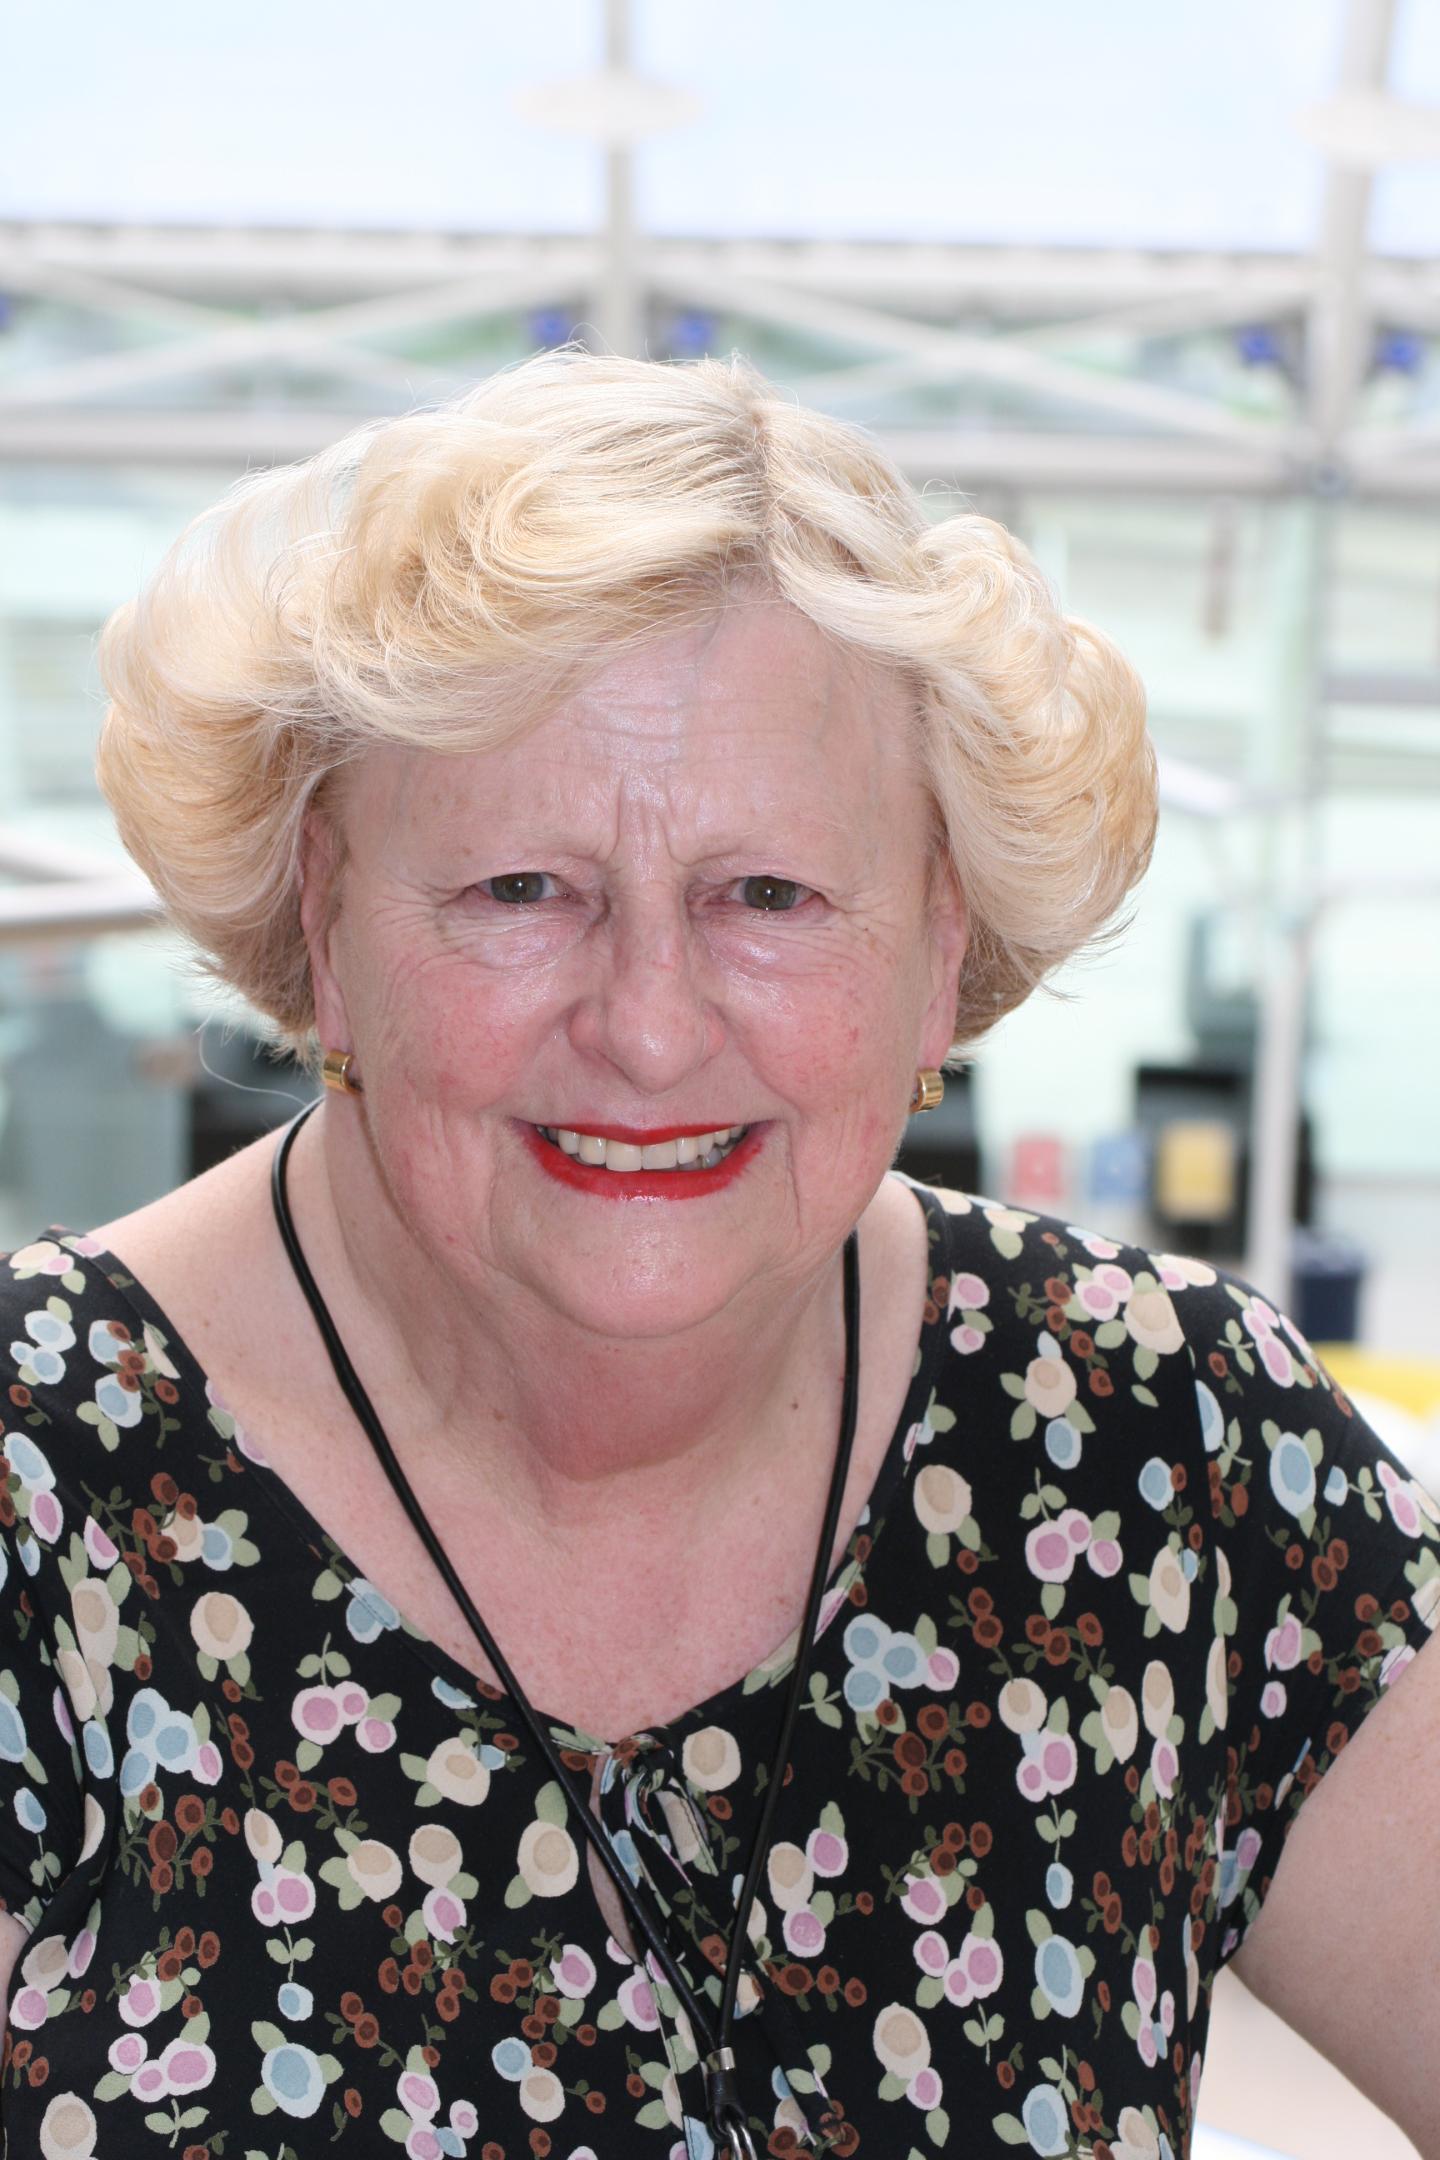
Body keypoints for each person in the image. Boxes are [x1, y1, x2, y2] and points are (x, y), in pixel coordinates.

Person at [0, 352, 1436, 2160]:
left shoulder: (1161, 1439)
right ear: (324, 924)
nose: (652, 1028)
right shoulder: (38, 1483)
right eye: (522, 890)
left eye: (769, 896)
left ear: (939, 953)